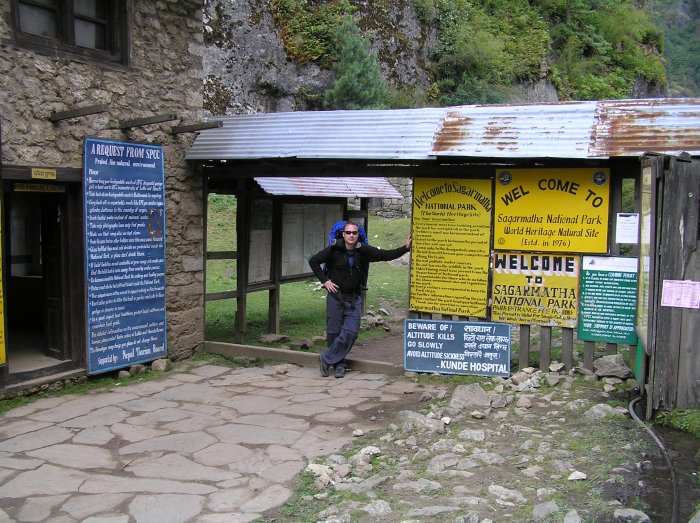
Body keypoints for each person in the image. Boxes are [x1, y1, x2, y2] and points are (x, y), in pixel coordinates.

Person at [309, 220, 412, 378]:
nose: (351, 235)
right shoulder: (334, 250)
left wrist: (405, 248)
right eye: (348, 233)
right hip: (336, 297)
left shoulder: (364, 251)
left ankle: (326, 358)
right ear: (343, 234)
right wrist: (325, 281)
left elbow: (385, 255)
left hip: (353, 298)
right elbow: (314, 261)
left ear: (358, 235)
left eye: (354, 233)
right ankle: (339, 364)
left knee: (351, 331)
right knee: (334, 331)